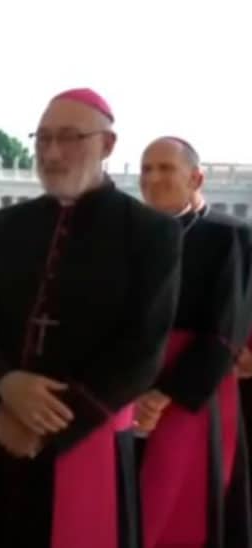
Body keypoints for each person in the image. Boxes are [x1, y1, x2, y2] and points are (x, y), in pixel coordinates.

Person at [0, 88, 183, 548]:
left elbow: (141, 351)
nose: (51, 153)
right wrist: (1, 388)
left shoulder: (152, 233)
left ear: (107, 145)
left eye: (68, 137)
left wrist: (44, 427)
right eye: (43, 138)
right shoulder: (10, 224)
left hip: (84, 439)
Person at [133, 136, 252, 547]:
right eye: (146, 169)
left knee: (176, 509)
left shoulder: (230, 235)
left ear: (196, 178)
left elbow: (226, 328)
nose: (152, 178)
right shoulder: (129, 235)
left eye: (166, 168)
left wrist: (163, 394)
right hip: (127, 388)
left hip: (193, 393)